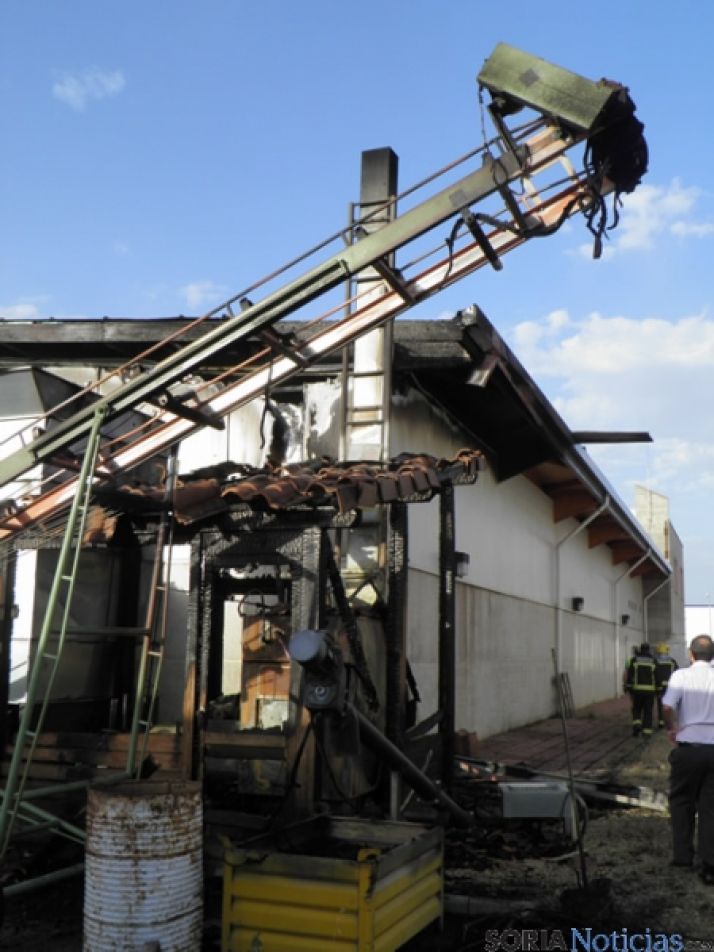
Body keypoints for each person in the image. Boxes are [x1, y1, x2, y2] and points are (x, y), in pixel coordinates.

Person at [661, 634, 714, 883]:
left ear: (691, 655)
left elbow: (668, 707)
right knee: (710, 806)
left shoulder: (681, 676)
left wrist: (672, 729)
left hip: (689, 747)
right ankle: (710, 862)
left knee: (682, 801)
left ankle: (683, 856)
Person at [623, 642, 656, 736]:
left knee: (637, 709)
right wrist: (658, 689)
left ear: (641, 649)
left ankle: (637, 725)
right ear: (649, 649)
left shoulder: (634, 660)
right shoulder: (653, 660)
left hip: (637, 690)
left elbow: (630, 674)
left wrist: (628, 687)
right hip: (650, 691)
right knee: (648, 710)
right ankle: (647, 731)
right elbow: (657, 675)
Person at [654, 642, 678, 728]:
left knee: (660, 704)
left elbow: (654, 673)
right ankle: (669, 722)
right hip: (670, 687)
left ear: (659, 651)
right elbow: (677, 673)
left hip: (659, 687)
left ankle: (661, 722)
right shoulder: (672, 661)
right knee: (669, 704)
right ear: (667, 651)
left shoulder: (655, 661)